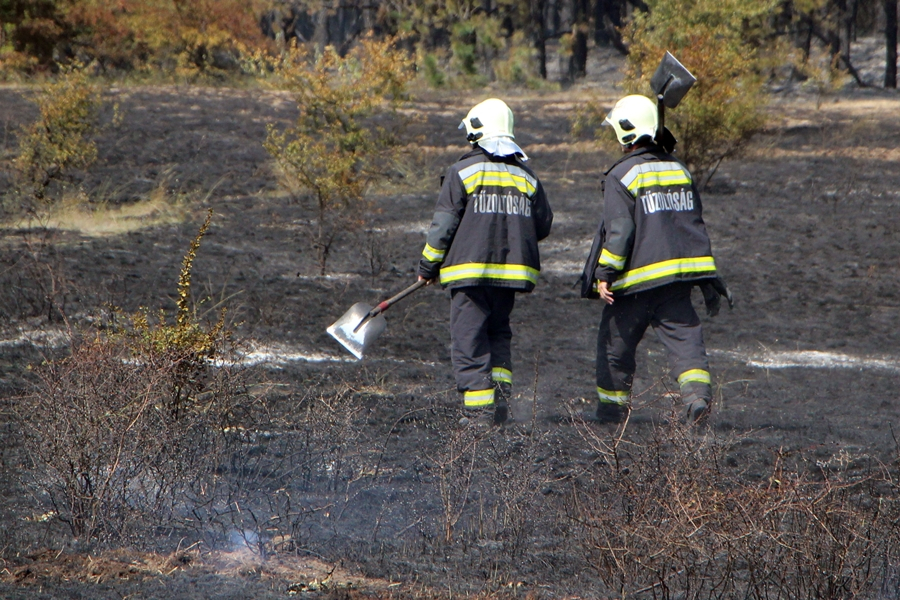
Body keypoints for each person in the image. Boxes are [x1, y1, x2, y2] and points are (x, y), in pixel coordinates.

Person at [581, 94, 732, 425]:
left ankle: (611, 412)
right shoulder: (680, 170)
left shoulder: (621, 175)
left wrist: (604, 274)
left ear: (626, 131)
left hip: (634, 284)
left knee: (614, 347)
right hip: (676, 281)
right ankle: (697, 400)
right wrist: (707, 275)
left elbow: (619, 232)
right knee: (687, 342)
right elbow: (693, 225)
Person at [418, 98, 553, 426]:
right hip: (509, 277)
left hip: (470, 275)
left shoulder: (462, 170)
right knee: (498, 333)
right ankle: (501, 403)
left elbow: (443, 227)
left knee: (469, 338)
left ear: (476, 130)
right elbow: (544, 224)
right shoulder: (527, 176)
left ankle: (478, 413)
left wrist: (427, 267)